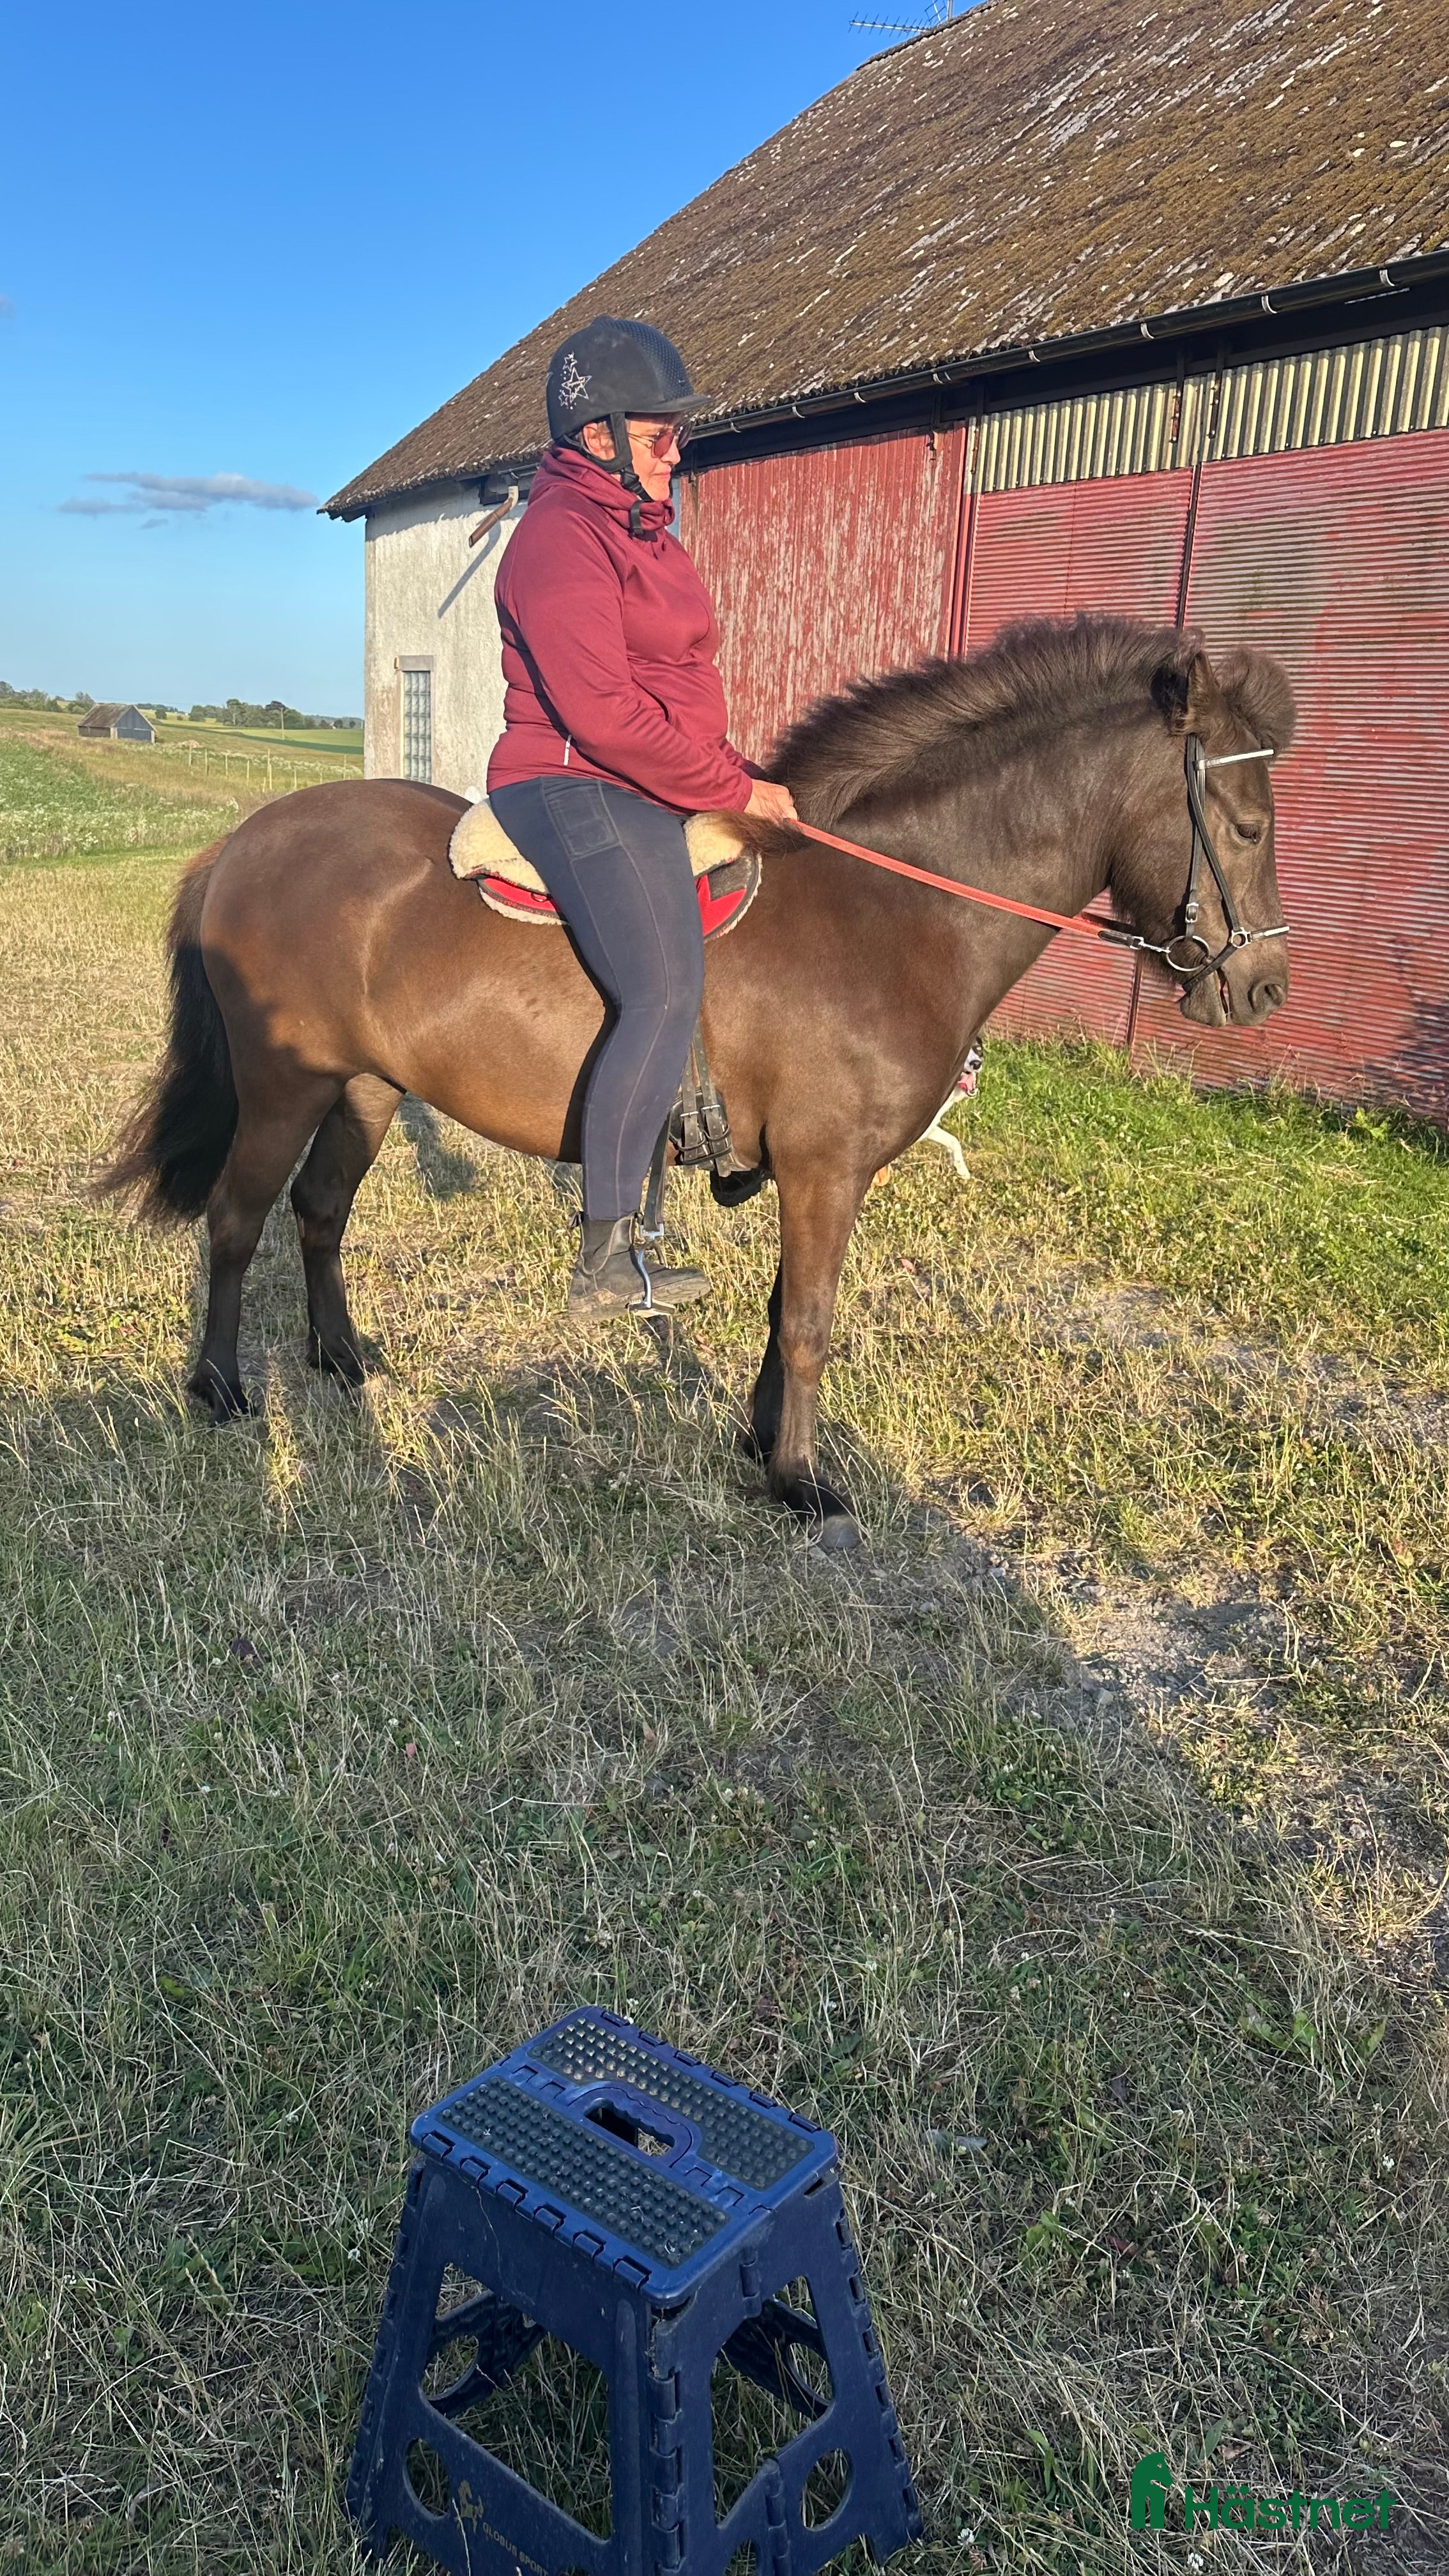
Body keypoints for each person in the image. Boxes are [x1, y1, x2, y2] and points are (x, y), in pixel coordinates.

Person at [487, 314, 797, 1321]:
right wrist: (730, 787)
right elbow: (603, 714)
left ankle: (725, 1137)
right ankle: (607, 1256)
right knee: (663, 990)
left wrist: (741, 773)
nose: (678, 450)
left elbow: (671, 689)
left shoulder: (640, 532)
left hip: (649, 776)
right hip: (575, 779)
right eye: (662, 434)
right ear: (597, 439)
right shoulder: (558, 538)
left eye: (679, 434)